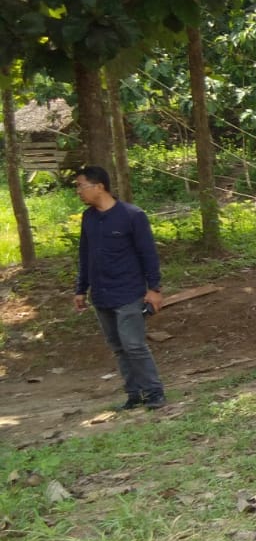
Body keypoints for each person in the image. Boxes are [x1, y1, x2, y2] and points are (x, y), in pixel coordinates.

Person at [72, 165, 167, 409]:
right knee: (118, 347)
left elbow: (148, 254)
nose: (78, 192)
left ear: (99, 186)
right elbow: (85, 255)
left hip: (128, 292)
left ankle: (154, 392)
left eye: (80, 186)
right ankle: (134, 394)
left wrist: (153, 289)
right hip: (101, 294)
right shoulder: (89, 218)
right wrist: (81, 289)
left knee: (134, 344)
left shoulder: (132, 215)